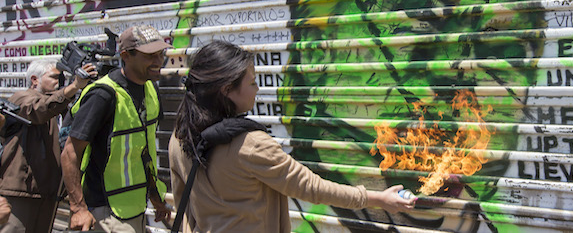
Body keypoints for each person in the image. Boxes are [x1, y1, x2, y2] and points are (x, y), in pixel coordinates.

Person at [168, 40, 416, 233]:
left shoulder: (180, 138)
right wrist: (379, 199)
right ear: (227, 90)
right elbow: (312, 188)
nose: (257, 90)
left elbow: (182, 206)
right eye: (252, 83)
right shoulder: (250, 145)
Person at [61, 25, 172, 232]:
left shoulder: (150, 89)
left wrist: (155, 197)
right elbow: (70, 153)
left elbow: (143, 151)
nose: (158, 61)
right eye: (150, 56)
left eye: (160, 54)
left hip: (134, 208)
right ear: (125, 55)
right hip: (104, 212)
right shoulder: (103, 95)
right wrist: (78, 208)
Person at [0, 58, 96, 232]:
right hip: (21, 190)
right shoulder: (23, 98)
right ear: (35, 80)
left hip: (48, 191)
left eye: (61, 79)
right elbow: (39, 110)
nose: (59, 83)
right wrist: (73, 87)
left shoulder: (60, 105)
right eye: (53, 77)